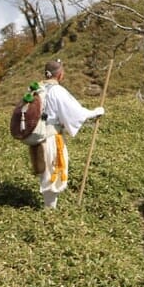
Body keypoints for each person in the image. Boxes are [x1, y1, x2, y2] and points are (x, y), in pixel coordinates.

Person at [36, 59, 104, 209]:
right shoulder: (57, 91)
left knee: (46, 171)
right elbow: (75, 112)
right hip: (52, 138)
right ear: (60, 74)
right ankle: (50, 211)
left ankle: (49, 208)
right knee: (54, 170)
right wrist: (94, 113)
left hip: (37, 137)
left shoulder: (36, 88)